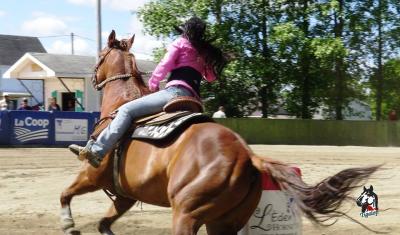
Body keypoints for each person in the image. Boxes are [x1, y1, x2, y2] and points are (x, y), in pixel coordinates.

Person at [69, 17, 226, 168]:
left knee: (126, 110)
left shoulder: (180, 43)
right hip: (195, 100)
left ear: (187, 31)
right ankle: (92, 145)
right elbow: (211, 77)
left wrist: (153, 83)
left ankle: (97, 151)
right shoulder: (203, 53)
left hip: (175, 93)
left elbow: (165, 64)